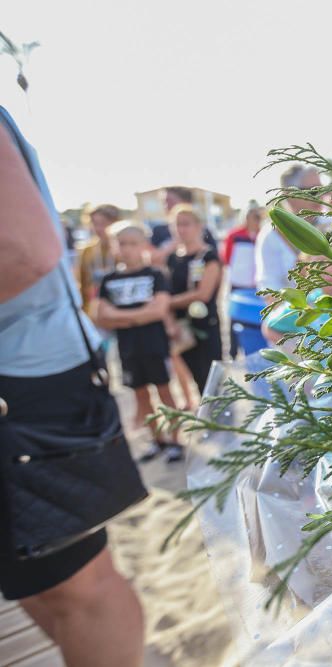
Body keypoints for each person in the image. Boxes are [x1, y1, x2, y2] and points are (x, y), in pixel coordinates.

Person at [0, 106, 144, 666]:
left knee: (74, 581)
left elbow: (22, 251)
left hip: (23, 377)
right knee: (32, 573)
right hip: (31, 368)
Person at [96, 221, 183, 463]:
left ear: (143, 245)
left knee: (166, 393)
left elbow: (159, 309)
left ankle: (176, 439)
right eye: (121, 244)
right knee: (140, 396)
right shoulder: (108, 280)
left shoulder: (155, 274)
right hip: (127, 349)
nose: (127, 249)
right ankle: (157, 439)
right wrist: (139, 316)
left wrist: (121, 316)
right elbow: (102, 316)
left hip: (155, 345)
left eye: (132, 244)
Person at [256, 165, 322, 344]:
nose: (320, 196)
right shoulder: (271, 236)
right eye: (312, 191)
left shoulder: (331, 225)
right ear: (289, 194)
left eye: (322, 189)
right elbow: (269, 292)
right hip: (293, 331)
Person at [167, 205, 223, 397]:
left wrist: (168, 303)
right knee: (197, 380)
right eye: (177, 224)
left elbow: (203, 293)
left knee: (211, 379)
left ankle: (221, 422)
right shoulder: (173, 258)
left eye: (186, 224)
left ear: (199, 226)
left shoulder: (209, 256)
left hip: (205, 326)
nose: (181, 229)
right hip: (183, 328)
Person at [222, 203, 263, 358]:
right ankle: (233, 352)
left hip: (256, 286)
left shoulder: (260, 235)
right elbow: (227, 257)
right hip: (238, 284)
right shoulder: (235, 235)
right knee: (234, 318)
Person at [77, 203, 120, 319]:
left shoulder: (123, 249)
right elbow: (82, 283)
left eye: (104, 224)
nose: (98, 229)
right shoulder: (87, 250)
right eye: (95, 224)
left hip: (119, 310)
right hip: (93, 312)